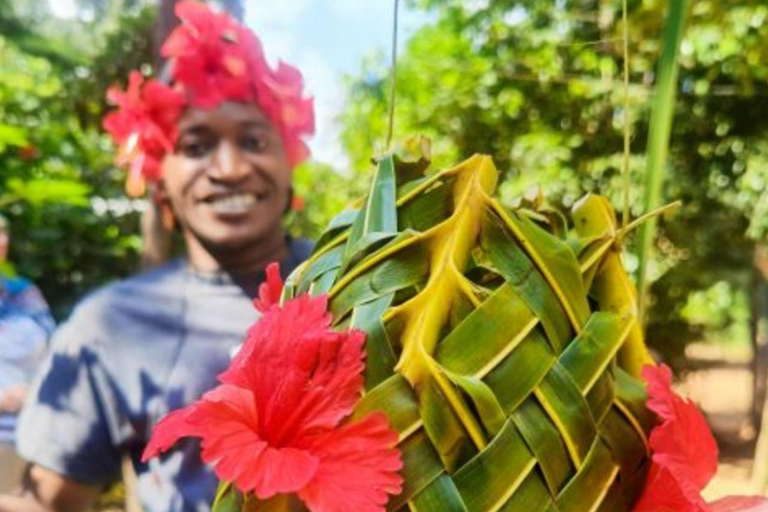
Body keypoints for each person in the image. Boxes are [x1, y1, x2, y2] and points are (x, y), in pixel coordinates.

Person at [0, 2, 314, 511]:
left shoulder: (368, 278)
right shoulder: (108, 325)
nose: (230, 168)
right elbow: (49, 504)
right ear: (159, 177)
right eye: (196, 145)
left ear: (289, 158)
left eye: (254, 140)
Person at [0, 214, 55, 494]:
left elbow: (56, 356)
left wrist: (33, 390)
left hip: (31, 437)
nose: (1, 240)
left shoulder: (24, 294)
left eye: (2, 232)